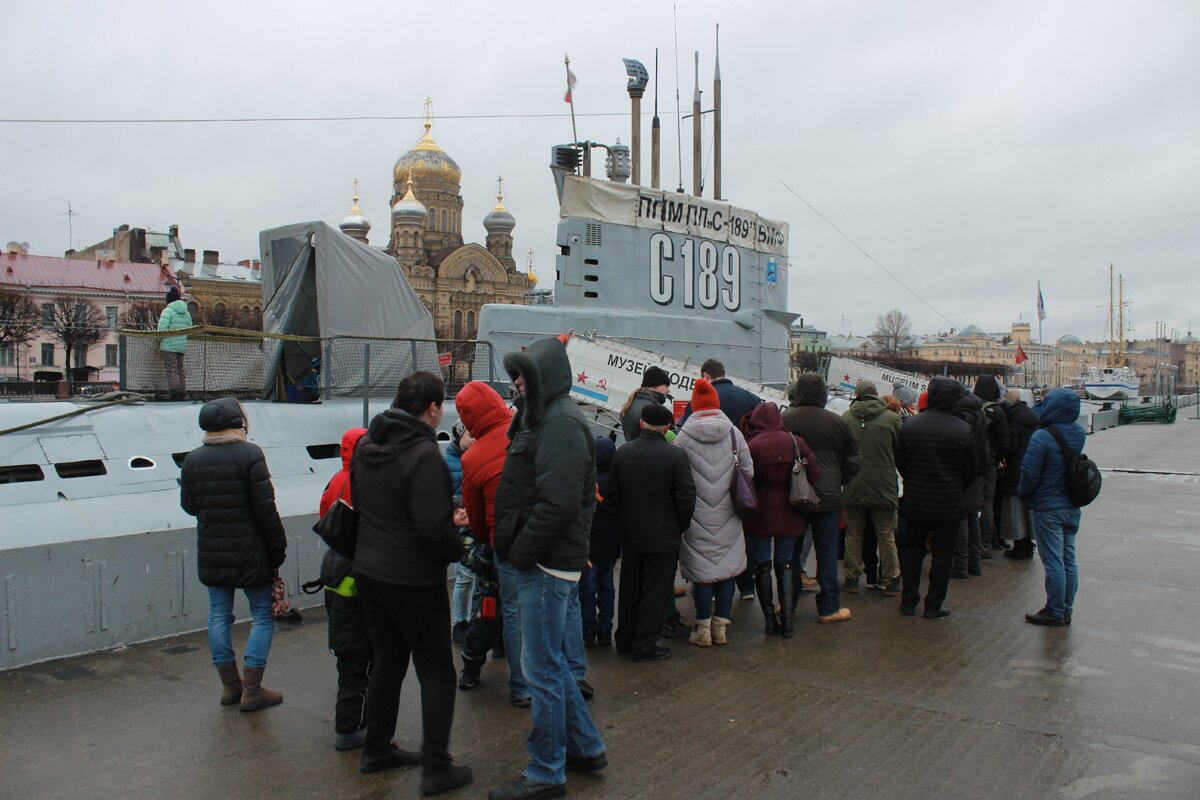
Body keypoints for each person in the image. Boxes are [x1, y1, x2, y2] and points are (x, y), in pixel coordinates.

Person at [490, 336, 607, 800]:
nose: (516, 383)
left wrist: (521, 554)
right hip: (544, 560)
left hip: (544, 564)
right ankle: (586, 747)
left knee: (540, 671)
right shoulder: (540, 419)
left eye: (524, 375)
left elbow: (557, 504)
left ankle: (546, 772)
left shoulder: (559, 424)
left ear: (545, 378)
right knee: (552, 665)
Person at [351, 371, 472, 794]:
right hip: (413, 580)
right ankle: (437, 767)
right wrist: (458, 545)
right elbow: (431, 531)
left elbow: (368, 503)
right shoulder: (424, 454)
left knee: (386, 662)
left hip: (369, 571)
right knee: (438, 670)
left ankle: (376, 748)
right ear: (433, 408)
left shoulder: (367, 444)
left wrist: (439, 512)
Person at [179, 397, 287, 712]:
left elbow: (189, 506)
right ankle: (252, 690)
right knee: (263, 616)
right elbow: (266, 509)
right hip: (251, 551)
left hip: (212, 550)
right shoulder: (250, 454)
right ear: (238, 422)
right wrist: (277, 548)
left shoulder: (193, 459)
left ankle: (230, 687)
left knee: (218, 616)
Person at [608, 403, 696, 660]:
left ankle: (624, 639)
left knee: (630, 590)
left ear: (642, 424)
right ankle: (645, 645)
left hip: (632, 535)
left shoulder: (623, 453)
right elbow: (686, 498)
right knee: (655, 593)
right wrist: (680, 526)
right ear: (667, 427)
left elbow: (613, 495)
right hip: (663, 536)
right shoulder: (675, 456)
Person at [674, 379, 751, 647]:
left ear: (694, 405)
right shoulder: (733, 433)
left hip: (697, 514)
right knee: (726, 569)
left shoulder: (683, 436)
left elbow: (677, 477)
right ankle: (721, 627)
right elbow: (749, 471)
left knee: (703, 571)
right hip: (729, 510)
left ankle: (703, 629)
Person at [679, 358, 763, 601]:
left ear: (705, 375)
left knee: (703, 544)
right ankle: (746, 586)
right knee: (737, 539)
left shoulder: (696, 405)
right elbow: (751, 459)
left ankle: (708, 594)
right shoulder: (749, 398)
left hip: (701, 490)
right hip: (734, 487)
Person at [894, 377, 977, 619]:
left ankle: (908, 601)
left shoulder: (911, 425)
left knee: (912, 551)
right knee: (942, 554)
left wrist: (914, 480)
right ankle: (934, 604)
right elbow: (971, 470)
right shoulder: (963, 429)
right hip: (949, 501)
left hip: (915, 499)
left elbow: (900, 461)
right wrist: (955, 486)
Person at [782, 373, 859, 624]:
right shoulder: (837, 422)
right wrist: (838, 482)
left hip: (794, 497)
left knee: (791, 554)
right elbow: (853, 461)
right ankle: (829, 608)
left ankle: (788, 605)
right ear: (824, 394)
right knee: (827, 552)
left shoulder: (785, 419)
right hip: (828, 497)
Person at [741, 402, 819, 637]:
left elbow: (744, 483)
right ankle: (787, 620)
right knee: (786, 563)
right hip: (790, 511)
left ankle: (769, 621)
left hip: (760, 514)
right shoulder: (795, 441)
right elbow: (814, 474)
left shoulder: (752, 445)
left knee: (762, 565)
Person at [317, 427, 372, 751]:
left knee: (348, 662)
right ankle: (351, 729)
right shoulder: (368, 484)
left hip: (335, 577)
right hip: (359, 582)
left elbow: (325, 518)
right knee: (364, 663)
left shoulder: (336, 480)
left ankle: (351, 724)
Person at [1019, 388, 1086, 626]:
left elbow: (1030, 472)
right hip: (1072, 504)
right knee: (1069, 559)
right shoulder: (1079, 433)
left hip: (1048, 506)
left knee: (1053, 562)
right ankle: (1066, 608)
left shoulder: (1042, 437)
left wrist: (1024, 495)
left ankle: (1055, 610)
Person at [841, 380, 903, 597]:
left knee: (854, 534)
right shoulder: (893, 419)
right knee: (886, 534)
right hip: (884, 483)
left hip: (853, 483)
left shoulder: (845, 419)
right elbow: (901, 451)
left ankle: (851, 579)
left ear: (856, 396)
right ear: (876, 396)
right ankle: (892, 579)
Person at [581, 436, 621, 648]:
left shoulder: (586, 481)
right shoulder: (618, 480)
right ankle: (606, 628)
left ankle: (588, 629)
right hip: (612, 542)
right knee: (607, 586)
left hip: (589, 543)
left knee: (587, 587)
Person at [445, 424, 476, 646]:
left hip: (474, 526)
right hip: (460, 527)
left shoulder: (475, 457)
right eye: (469, 434)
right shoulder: (448, 463)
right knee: (464, 578)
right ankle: (459, 622)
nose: (474, 438)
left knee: (472, 577)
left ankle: (469, 620)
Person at [951, 392, 989, 579]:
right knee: (973, 516)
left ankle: (960, 564)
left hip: (964, 471)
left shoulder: (962, 416)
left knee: (962, 517)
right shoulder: (979, 415)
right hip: (978, 470)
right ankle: (975, 561)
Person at [973, 376, 1011, 555]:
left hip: (971, 461)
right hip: (989, 463)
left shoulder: (969, 407)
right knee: (986, 503)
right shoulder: (998, 411)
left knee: (970, 502)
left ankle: (970, 542)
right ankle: (984, 544)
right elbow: (1004, 442)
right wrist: (998, 459)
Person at [1001, 389, 1040, 559]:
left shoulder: (1012, 419)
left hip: (1015, 467)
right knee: (1027, 508)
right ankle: (1028, 544)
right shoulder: (1030, 415)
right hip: (1029, 466)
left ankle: (1019, 545)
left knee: (1015, 509)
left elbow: (1010, 447)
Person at [619, 365, 673, 442]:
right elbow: (672, 437)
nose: (668, 390)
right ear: (655, 385)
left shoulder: (630, 403)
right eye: (666, 386)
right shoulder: (654, 410)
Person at [157, 285, 192, 401]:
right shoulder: (186, 312)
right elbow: (190, 328)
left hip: (168, 345)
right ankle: (182, 391)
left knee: (171, 369)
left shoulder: (167, 311)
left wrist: (157, 340)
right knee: (180, 368)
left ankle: (174, 392)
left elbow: (162, 329)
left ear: (168, 300)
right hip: (181, 346)